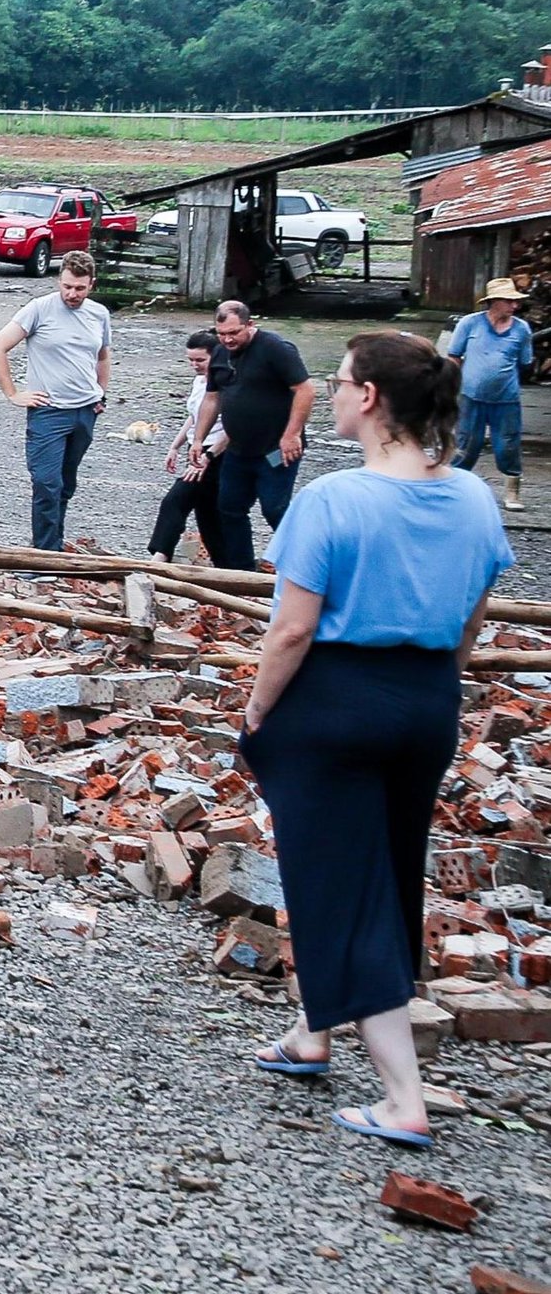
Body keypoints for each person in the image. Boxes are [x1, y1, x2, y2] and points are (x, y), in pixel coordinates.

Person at [239, 331, 513, 1148]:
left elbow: (291, 631)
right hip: (424, 700)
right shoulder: (471, 497)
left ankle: (401, 1096)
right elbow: (471, 620)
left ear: (368, 399)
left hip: (334, 703)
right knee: (376, 866)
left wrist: (255, 713)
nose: (331, 388)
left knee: (340, 882)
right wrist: (433, 685)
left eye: (341, 378)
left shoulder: (332, 499)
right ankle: (311, 1031)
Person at [0, 251, 113, 553]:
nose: (72, 294)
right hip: (49, 412)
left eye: (79, 288)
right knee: (46, 483)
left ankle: (53, 545)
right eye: (67, 286)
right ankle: (44, 555)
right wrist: (13, 393)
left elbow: (103, 355)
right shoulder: (39, 309)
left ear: (91, 285)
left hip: (85, 410)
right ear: (60, 280)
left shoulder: (99, 314)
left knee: (66, 484)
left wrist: (101, 393)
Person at [193, 300, 315, 571]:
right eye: (221, 333)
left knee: (274, 508)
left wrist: (292, 434)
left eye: (234, 333)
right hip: (238, 449)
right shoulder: (220, 354)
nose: (227, 339)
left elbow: (305, 390)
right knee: (229, 507)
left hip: (276, 450)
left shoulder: (274, 349)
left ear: (250, 325)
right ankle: (242, 571)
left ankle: (304, 565)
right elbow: (212, 398)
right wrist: (200, 438)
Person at [442, 277, 534, 511]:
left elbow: (525, 362)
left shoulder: (521, 329)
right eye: (509, 301)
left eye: (515, 302)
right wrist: (452, 385)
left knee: (508, 444)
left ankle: (512, 493)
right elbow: (454, 356)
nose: (514, 306)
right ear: (493, 302)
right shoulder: (470, 324)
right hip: (470, 397)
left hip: (506, 399)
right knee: (466, 444)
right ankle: (452, 490)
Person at [149, 329, 230, 564]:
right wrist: (175, 446)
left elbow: (232, 425)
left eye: (200, 360)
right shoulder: (199, 381)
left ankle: (161, 554)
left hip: (215, 451)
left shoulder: (224, 384)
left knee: (176, 499)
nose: (194, 365)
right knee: (207, 511)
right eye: (191, 360)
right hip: (197, 447)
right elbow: (194, 417)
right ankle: (226, 562)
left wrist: (209, 456)